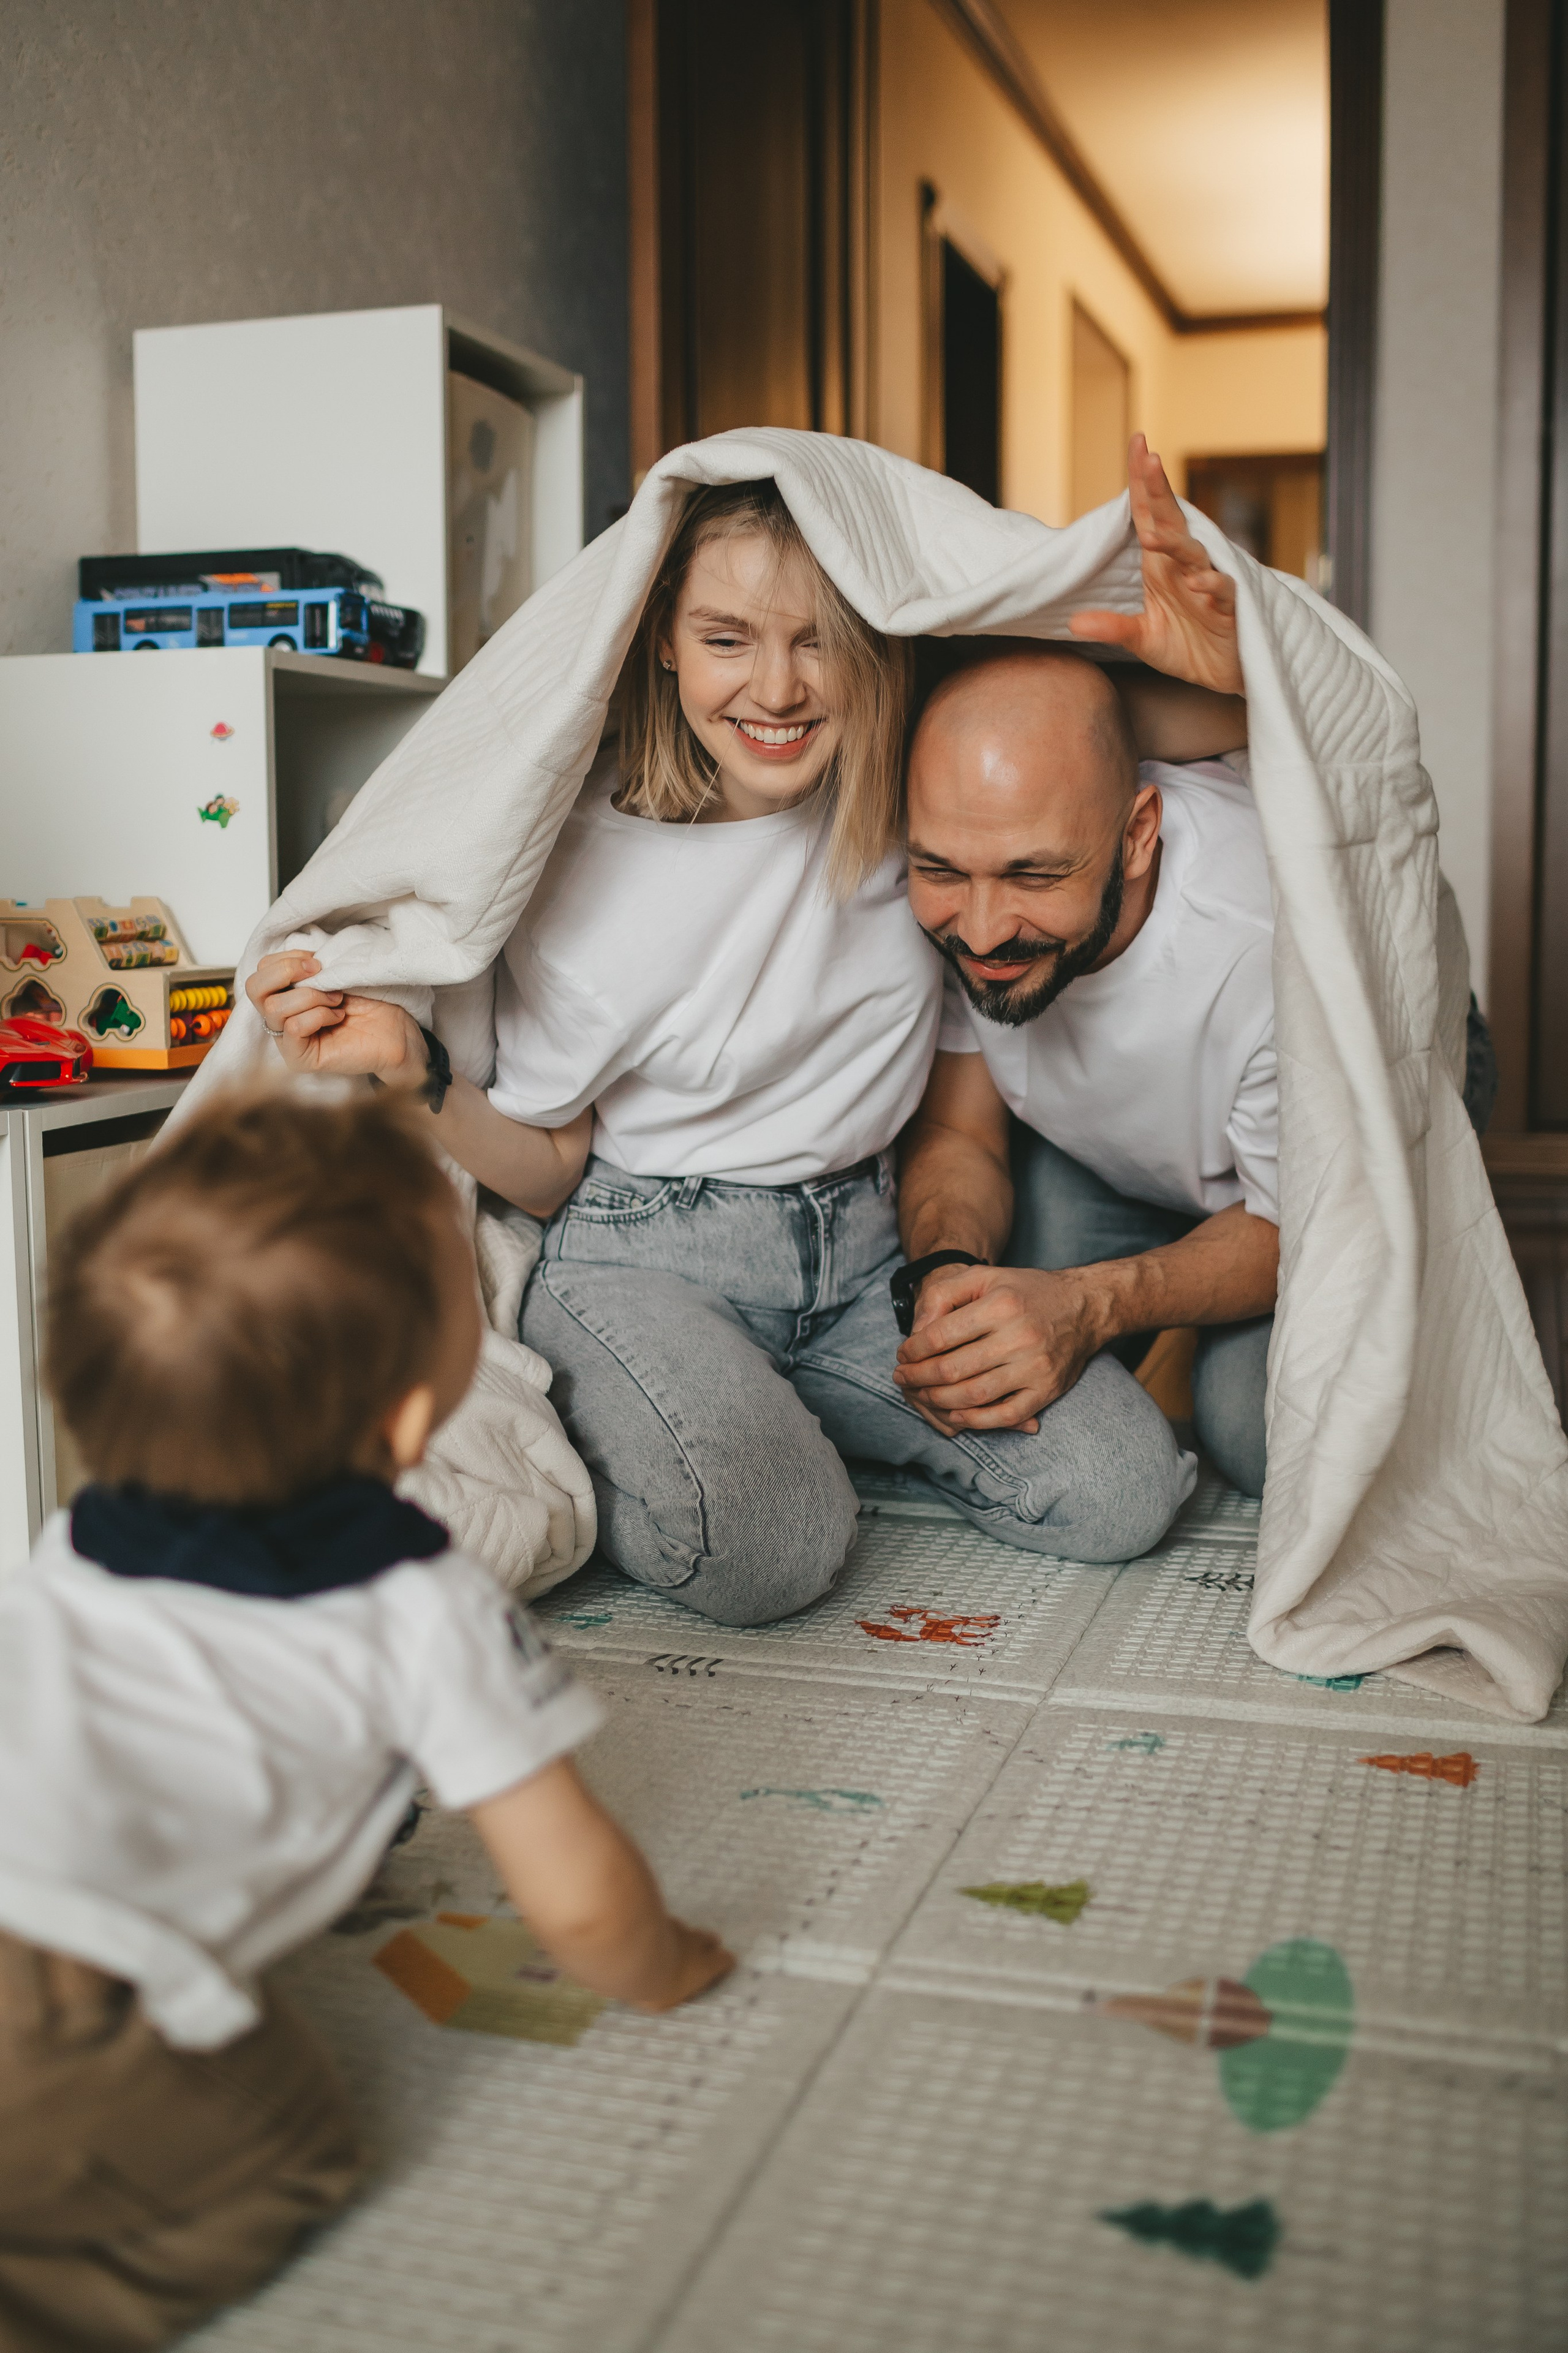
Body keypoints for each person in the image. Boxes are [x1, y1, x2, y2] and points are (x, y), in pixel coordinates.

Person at [252, 472, 1244, 1628]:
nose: (777, 689)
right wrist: (417, 1072)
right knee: (776, 1547)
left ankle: (785, 1419)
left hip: (868, 1257)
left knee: (1122, 1490)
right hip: (647, 1257)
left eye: (818, 641)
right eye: (727, 638)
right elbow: (551, 1171)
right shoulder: (577, 855)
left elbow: (1198, 727)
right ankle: (688, 1425)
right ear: (662, 639)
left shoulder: (914, 769)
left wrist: (1229, 658)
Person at [0, 1090, 731, 2353]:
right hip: (58, 2010)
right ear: (408, 1418)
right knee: (283, 2155)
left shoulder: (76, 1536)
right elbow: (577, 1901)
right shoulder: (420, 1602)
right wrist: (665, 1963)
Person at [891, 440, 1275, 1495]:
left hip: (1300, 1182)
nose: (979, 929)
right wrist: (946, 1270)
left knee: (1257, 1428)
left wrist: (1097, 1303)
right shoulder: (965, 883)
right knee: (1009, 1318)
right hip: (1121, 1153)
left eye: (1033, 874)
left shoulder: (1258, 937)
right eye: (941, 870)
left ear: (1139, 834)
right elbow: (961, 1132)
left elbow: (1309, 1214)